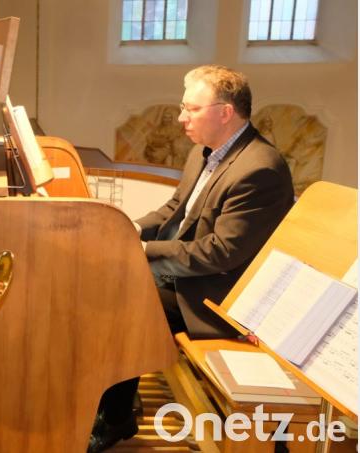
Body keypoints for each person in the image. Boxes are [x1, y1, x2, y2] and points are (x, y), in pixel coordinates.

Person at [88, 65, 294, 452]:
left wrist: (145, 251)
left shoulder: (260, 169)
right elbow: (174, 208)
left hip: (216, 295)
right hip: (187, 275)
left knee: (120, 304)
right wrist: (127, 228)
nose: (181, 117)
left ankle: (115, 417)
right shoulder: (207, 151)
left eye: (190, 109)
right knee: (107, 285)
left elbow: (221, 253)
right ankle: (115, 400)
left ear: (224, 112)